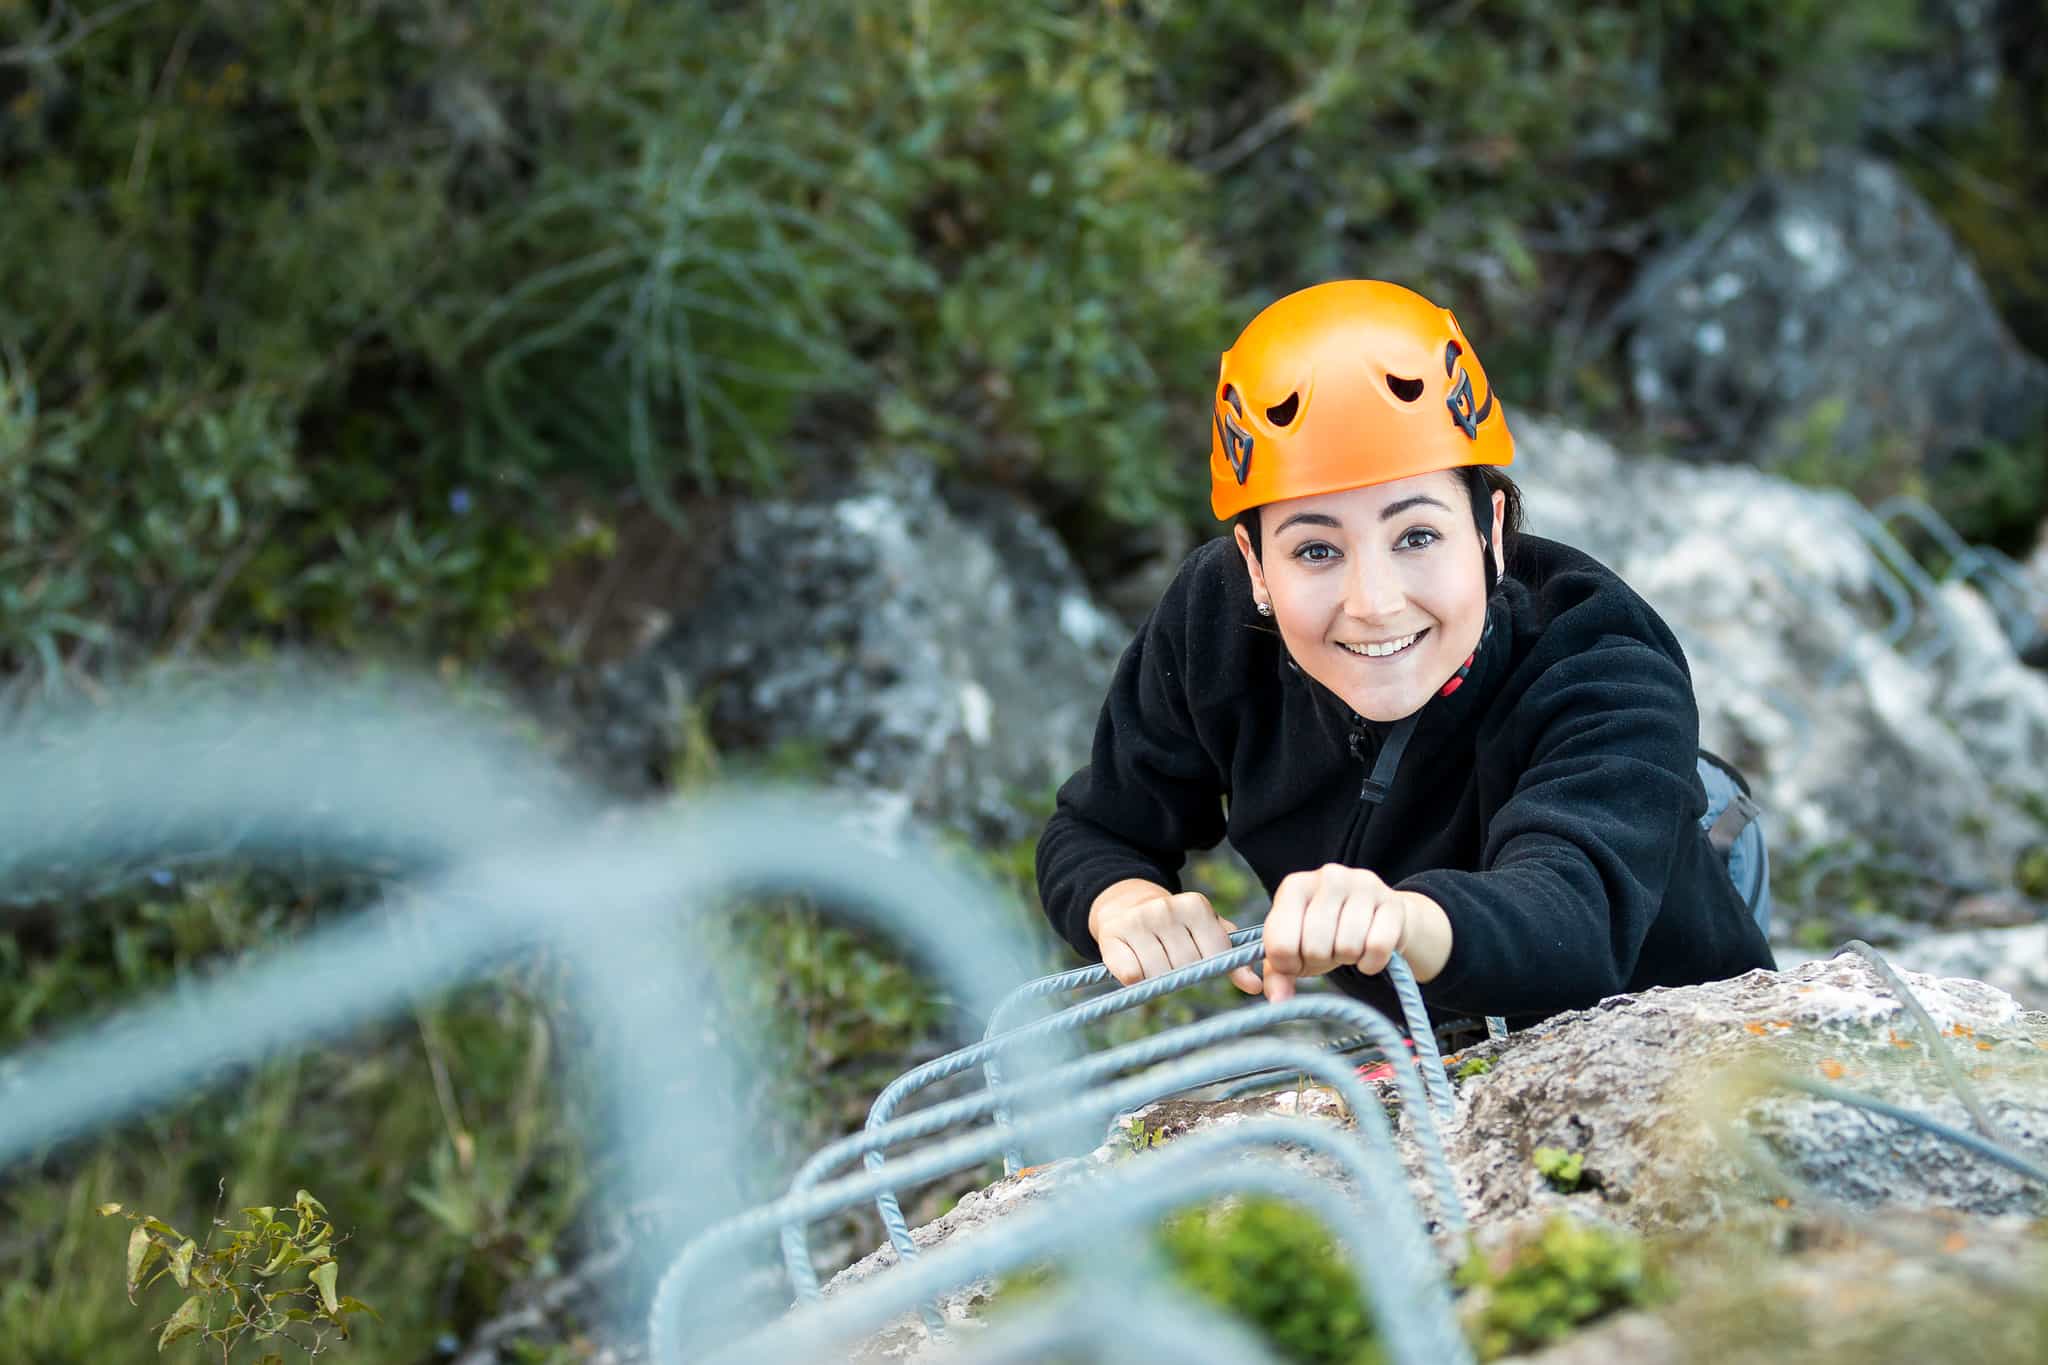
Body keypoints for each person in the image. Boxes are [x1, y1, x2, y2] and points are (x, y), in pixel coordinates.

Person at [1035, 280, 1776, 1033]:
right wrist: (1122, 898)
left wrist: (1404, 919)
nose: (1374, 601)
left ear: (1490, 532)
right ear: (1256, 567)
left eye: (1416, 536)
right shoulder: (1214, 626)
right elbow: (1098, 827)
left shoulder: (1600, 659)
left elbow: (1572, 913)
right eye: (1316, 550)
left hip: (1674, 1022)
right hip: (1434, 1040)